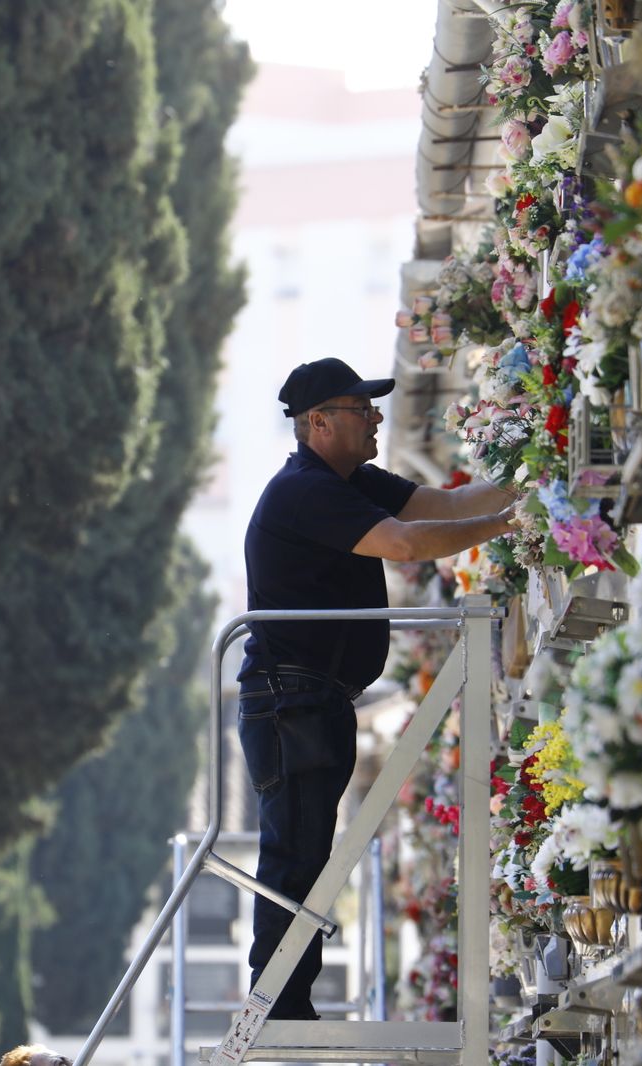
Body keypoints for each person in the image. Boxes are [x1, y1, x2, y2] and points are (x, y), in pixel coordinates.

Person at [237, 356, 516, 1020]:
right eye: (362, 409)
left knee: (308, 849)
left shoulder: (349, 480)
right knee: (297, 851)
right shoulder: (307, 489)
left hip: (310, 697)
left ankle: (285, 994)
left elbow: (444, 505)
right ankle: (277, 999)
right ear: (319, 422)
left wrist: (524, 484)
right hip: (290, 699)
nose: (375, 418)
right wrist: (510, 523)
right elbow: (406, 545)